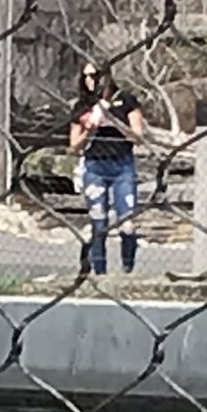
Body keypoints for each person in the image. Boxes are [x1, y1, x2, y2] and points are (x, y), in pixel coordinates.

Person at [68, 65, 144, 275]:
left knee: (126, 221)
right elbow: (73, 146)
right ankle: (100, 272)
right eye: (85, 76)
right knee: (98, 221)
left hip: (122, 166)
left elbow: (138, 137)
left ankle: (127, 268)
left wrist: (112, 119)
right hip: (95, 166)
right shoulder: (82, 106)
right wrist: (90, 128)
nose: (90, 80)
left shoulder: (126, 100)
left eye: (94, 75)